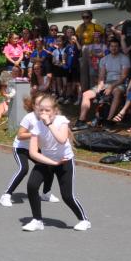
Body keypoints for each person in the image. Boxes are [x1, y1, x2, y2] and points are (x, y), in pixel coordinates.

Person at [23, 93, 90, 232]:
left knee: (67, 196)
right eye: (41, 110)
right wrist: (52, 163)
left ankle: (84, 220)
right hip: (47, 160)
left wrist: (49, 124)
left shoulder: (61, 121)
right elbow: (33, 153)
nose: (44, 113)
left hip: (65, 162)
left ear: (54, 111)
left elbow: (62, 139)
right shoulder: (36, 125)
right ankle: (37, 220)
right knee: (32, 186)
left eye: (47, 110)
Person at [0, 93, 55, 206]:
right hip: (20, 148)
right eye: (39, 104)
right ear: (34, 106)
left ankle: (46, 193)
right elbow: (20, 135)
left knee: (49, 165)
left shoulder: (48, 118)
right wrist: (35, 134)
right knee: (23, 169)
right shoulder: (29, 118)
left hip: (34, 148)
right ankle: (6, 195)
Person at [76, 38, 129, 127]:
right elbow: (101, 76)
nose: (114, 48)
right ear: (109, 47)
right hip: (107, 83)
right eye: (112, 46)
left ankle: (109, 120)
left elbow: (124, 77)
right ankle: (81, 120)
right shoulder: (104, 59)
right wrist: (100, 86)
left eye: (116, 46)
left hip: (120, 83)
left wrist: (111, 87)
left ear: (119, 47)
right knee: (86, 94)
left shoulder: (124, 58)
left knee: (117, 91)